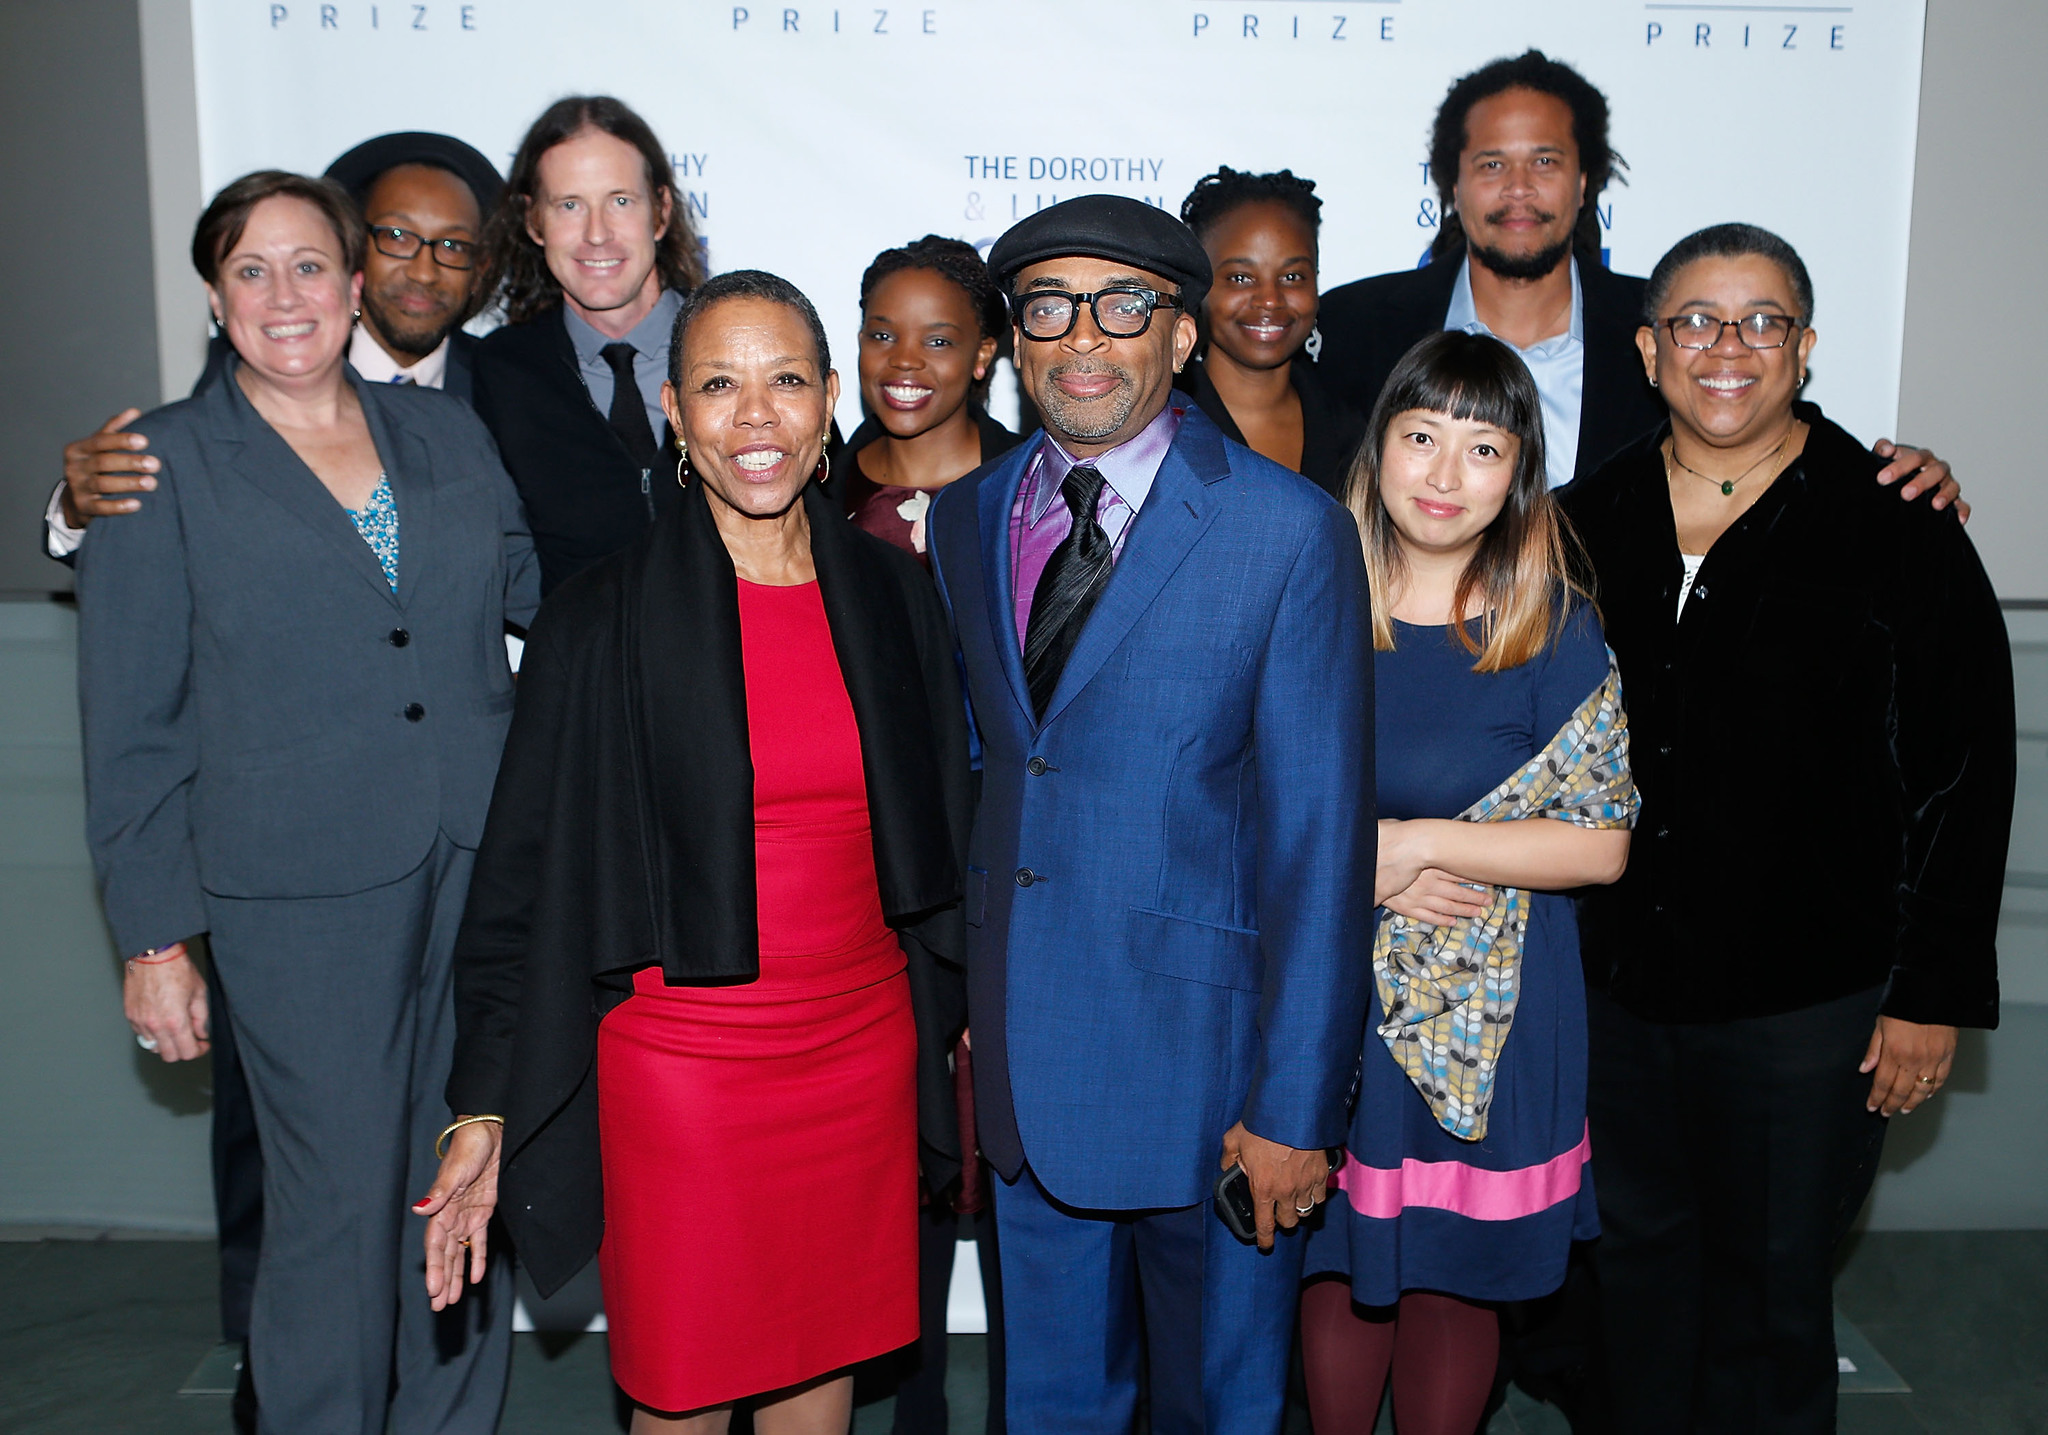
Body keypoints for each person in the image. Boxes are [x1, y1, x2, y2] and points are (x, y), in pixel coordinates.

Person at [417, 271, 971, 1435]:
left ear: (829, 402)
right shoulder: (597, 618)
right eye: (720, 384)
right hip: (683, 1074)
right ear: (673, 408)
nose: (755, 415)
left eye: (784, 382)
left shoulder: (893, 596)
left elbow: (944, 841)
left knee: (819, 1378)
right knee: (684, 1392)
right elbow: (523, 875)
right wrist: (483, 1100)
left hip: (859, 1052)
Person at [74, 169, 538, 1435]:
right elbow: (130, 721)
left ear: (352, 284)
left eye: (309, 265)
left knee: (462, 1172)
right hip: (293, 891)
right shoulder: (154, 465)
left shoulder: (440, 432)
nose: (286, 295)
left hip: (474, 859)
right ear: (217, 300)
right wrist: (153, 937)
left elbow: (532, 593)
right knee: (334, 1203)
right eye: (251, 271)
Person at [925, 194, 1376, 1434]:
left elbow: (1319, 843)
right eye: (1048, 305)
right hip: (1027, 1077)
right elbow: (991, 776)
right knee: (1048, 1409)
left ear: (1180, 336)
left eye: (1123, 304)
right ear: (1012, 339)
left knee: (1220, 1410)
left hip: (1214, 1086)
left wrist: (1293, 1109)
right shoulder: (967, 518)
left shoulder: (1286, 532)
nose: (1084, 335)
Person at [1556, 224, 2014, 1432]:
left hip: (1808, 1005)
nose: (1726, 348)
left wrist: (1929, 993)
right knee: (1630, 1289)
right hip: (1611, 991)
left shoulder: (1895, 520)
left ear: (1803, 349)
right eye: (1696, 322)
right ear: (1649, 347)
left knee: (1768, 1302)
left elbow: (1962, 772)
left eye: (1760, 322)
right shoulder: (1576, 519)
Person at [1298, 331, 1636, 1435]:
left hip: (1498, 1019)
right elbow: (1241, 804)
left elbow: (1596, 843)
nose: (1443, 476)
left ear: (1517, 472)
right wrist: (1365, 863)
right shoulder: (1306, 608)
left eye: (1480, 448)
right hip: (1327, 1002)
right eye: (1421, 438)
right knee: (1338, 1266)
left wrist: (1412, 844)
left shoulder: (1552, 626)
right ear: (1376, 448)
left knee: (1455, 1271)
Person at [1315, 49, 1965, 505]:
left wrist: (1895, 482)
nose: (1517, 189)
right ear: (1451, 182)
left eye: (1544, 160)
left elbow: (1762, 435)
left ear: (1585, 179)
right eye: (1491, 164)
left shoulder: (1667, 331)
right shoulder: (1353, 327)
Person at [840, 233, 1016, 1435]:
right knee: (881, 1169)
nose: (905, 362)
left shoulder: (1035, 485)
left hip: (1007, 870)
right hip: (857, 882)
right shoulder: (805, 484)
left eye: (940, 337)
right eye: (882, 333)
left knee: (1009, 1165)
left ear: (991, 352)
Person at [50, 131, 503, 552]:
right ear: (352, 257)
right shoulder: (257, 368)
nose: (424, 270)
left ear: (481, 268)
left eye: (454, 246)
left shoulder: (507, 382)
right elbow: (175, 528)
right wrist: (77, 509)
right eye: (396, 237)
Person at [469, 94, 707, 593]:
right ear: (534, 221)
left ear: (661, 212)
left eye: (620, 201)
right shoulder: (497, 374)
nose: (597, 234)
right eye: (570, 205)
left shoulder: (743, 344)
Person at [1174, 166, 1366, 496]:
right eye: (1240, 278)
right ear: (1201, 287)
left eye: (1292, 277)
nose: (1269, 300)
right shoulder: (1158, 424)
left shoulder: (1359, 430)